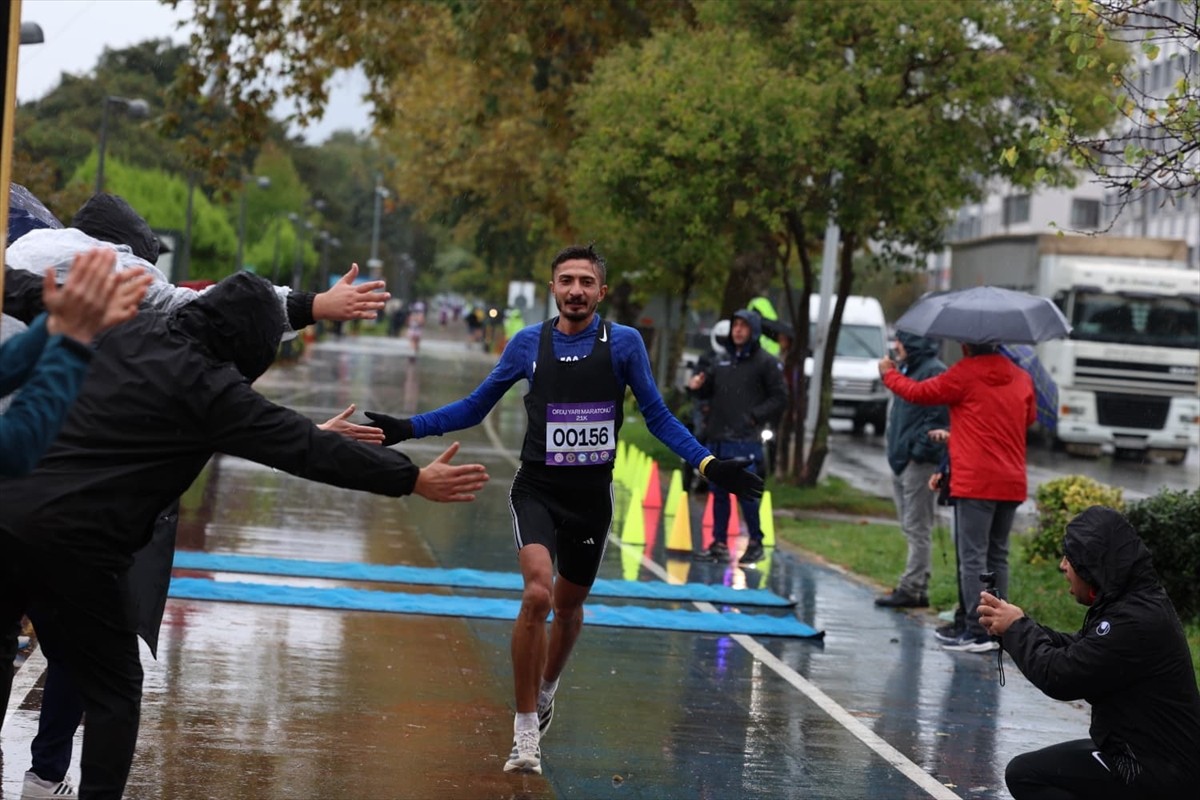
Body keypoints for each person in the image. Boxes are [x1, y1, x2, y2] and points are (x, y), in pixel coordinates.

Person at [0, 272, 490, 799]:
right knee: (114, 692)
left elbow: (38, 297)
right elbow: (304, 449)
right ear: (248, 348)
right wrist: (411, 477)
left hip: (7, 513)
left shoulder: (125, 330)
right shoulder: (211, 389)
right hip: (78, 549)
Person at [361, 244, 762, 776]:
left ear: (600, 291)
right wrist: (406, 428)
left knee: (568, 611)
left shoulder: (624, 344)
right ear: (553, 287)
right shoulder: (529, 343)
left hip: (590, 499)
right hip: (538, 490)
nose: (575, 290)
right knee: (536, 592)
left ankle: (547, 687)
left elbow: (660, 417)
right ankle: (525, 731)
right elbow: (475, 406)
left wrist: (710, 465)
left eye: (585, 282)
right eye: (566, 280)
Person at [978, 506, 1200, 799]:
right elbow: (1080, 648)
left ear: (1093, 564)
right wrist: (1016, 626)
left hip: (1158, 773)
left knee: (1027, 775)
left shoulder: (1134, 621)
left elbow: (1060, 676)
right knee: (1034, 771)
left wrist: (1017, 629)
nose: (1062, 566)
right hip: (1152, 759)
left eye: (1070, 558)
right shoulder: (1132, 602)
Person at [879, 340, 1034, 653]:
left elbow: (919, 393)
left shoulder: (964, 373)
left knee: (973, 555)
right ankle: (996, 628)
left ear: (968, 344)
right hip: (1012, 480)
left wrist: (888, 375)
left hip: (976, 481)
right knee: (997, 554)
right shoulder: (1021, 376)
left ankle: (978, 631)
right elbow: (1027, 418)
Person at [687, 308, 786, 566]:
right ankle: (719, 544)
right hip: (717, 436)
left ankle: (755, 542)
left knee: (746, 493)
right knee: (718, 492)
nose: (738, 330)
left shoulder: (765, 362)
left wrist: (754, 417)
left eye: (743, 325)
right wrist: (696, 387)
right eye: (735, 325)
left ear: (753, 330)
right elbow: (707, 392)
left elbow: (780, 397)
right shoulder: (722, 360)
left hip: (744, 439)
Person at [874, 332, 948, 608]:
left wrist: (917, 453)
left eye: (901, 342)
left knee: (917, 526)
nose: (896, 347)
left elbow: (937, 418)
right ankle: (919, 583)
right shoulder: (907, 369)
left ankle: (912, 586)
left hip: (917, 463)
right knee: (910, 525)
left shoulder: (932, 371)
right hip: (903, 460)